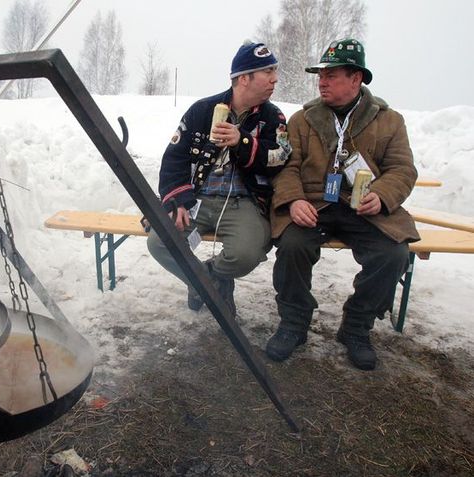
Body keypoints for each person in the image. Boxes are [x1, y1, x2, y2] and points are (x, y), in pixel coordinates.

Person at [265, 39, 420, 370]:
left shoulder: (390, 121)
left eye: (332, 75)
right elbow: (286, 167)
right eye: (321, 75)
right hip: (315, 204)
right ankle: (294, 323)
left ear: (356, 79)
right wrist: (293, 201)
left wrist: (382, 196)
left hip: (364, 207)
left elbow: (402, 170)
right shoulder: (302, 119)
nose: (322, 81)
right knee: (292, 245)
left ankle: (356, 327)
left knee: (393, 254)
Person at [147, 40, 291, 316]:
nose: (275, 79)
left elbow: (281, 157)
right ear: (244, 78)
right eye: (267, 72)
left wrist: (244, 142)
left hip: (243, 202)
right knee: (158, 242)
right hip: (197, 198)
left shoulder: (274, 117)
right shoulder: (202, 110)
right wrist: (177, 200)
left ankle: (209, 276)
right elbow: (175, 158)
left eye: (275, 71)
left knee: (246, 254)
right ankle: (210, 284)